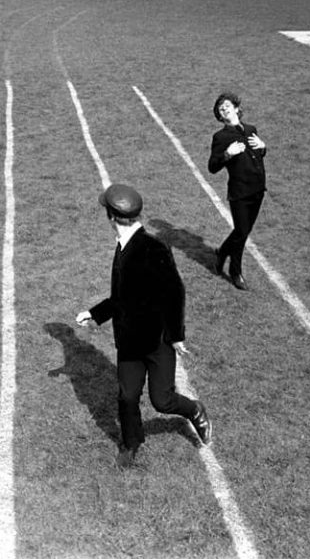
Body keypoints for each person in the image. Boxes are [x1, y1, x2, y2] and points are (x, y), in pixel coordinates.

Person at [76, 184, 212, 467]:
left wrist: (175, 336)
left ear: (111, 217)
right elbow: (121, 297)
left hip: (157, 341)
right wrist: (95, 313)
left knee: (162, 401)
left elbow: (175, 291)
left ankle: (194, 410)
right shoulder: (123, 246)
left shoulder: (152, 247)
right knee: (127, 397)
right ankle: (131, 444)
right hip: (129, 342)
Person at [207, 92, 267, 291]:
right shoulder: (221, 137)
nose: (224, 108)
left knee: (243, 231)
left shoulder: (251, 129)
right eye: (220, 108)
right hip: (240, 192)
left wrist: (263, 147)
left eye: (226, 105)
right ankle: (235, 271)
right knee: (241, 232)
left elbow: (256, 155)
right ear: (220, 116)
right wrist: (227, 153)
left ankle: (222, 253)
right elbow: (212, 167)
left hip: (258, 188)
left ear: (236, 108)